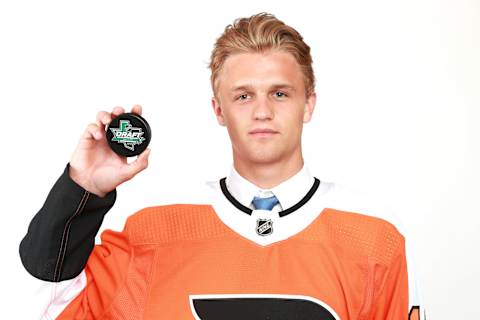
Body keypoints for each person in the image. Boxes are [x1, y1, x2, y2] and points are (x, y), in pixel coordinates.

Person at [19, 12, 425, 319]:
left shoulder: (376, 235)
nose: (263, 111)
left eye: (280, 93)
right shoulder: (152, 230)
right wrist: (83, 188)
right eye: (244, 96)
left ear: (309, 104)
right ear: (218, 109)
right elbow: (49, 310)